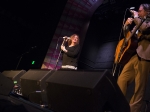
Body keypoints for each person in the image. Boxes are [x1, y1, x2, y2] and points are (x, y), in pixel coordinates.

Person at [117, 3, 150, 112]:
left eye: (140, 11)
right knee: (122, 79)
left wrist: (136, 16)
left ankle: (134, 110)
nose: (138, 12)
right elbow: (129, 37)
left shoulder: (146, 22)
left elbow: (145, 28)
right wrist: (126, 26)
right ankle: (118, 105)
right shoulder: (139, 22)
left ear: (147, 12)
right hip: (136, 55)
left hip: (146, 57)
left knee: (139, 88)